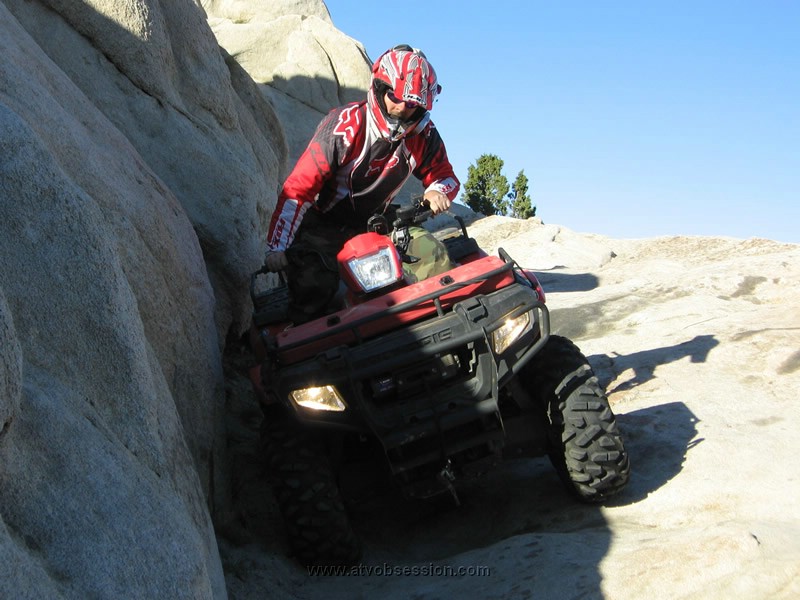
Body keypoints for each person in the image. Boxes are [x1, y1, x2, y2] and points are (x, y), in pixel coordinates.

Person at [263, 44, 460, 323]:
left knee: (433, 255)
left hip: (381, 222)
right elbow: (298, 189)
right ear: (379, 87)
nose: (402, 108)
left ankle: (443, 324)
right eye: (395, 97)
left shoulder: (424, 134)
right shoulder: (344, 126)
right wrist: (277, 246)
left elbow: (446, 176)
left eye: (412, 104)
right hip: (324, 224)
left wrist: (438, 190)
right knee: (313, 287)